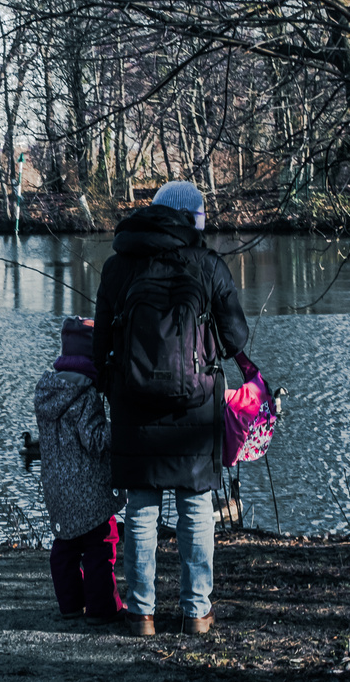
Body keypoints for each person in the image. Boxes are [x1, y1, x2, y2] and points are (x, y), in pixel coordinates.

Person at [92, 181, 249, 636]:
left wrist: (110, 384)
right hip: (195, 409)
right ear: (191, 219)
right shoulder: (207, 265)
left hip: (132, 405)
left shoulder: (119, 265)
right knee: (196, 507)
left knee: (140, 509)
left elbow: (100, 341)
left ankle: (141, 613)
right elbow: (237, 338)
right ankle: (196, 612)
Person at [35, 316, 126, 624]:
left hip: (56, 487)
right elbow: (96, 440)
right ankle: (103, 608)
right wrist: (121, 428)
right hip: (88, 488)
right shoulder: (84, 395)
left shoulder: (46, 391)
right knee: (102, 543)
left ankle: (71, 603)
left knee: (66, 546)